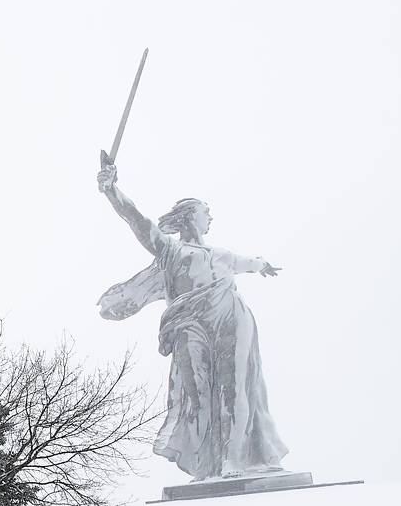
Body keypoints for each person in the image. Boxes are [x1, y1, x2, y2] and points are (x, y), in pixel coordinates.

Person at [96, 160, 289, 481]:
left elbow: (249, 262)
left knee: (235, 388)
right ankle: (205, 462)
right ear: (189, 216)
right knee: (196, 393)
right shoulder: (170, 249)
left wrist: (263, 264)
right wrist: (111, 189)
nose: (210, 217)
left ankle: (232, 460)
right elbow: (137, 220)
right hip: (189, 323)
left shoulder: (221, 254)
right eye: (205, 211)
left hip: (231, 317)